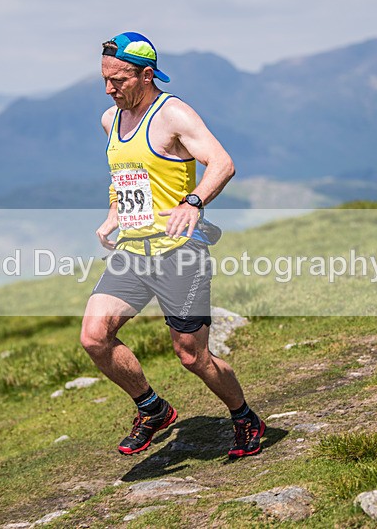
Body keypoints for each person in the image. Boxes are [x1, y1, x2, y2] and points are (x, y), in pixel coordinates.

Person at [80, 32, 265, 459]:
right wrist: (114, 212)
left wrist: (194, 201)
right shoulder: (111, 120)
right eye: (105, 79)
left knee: (191, 356)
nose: (109, 88)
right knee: (94, 337)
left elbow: (223, 163)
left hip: (180, 252)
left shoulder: (173, 114)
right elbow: (125, 175)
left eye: (119, 80)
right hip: (133, 251)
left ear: (146, 75)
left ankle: (244, 417)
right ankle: (152, 409)